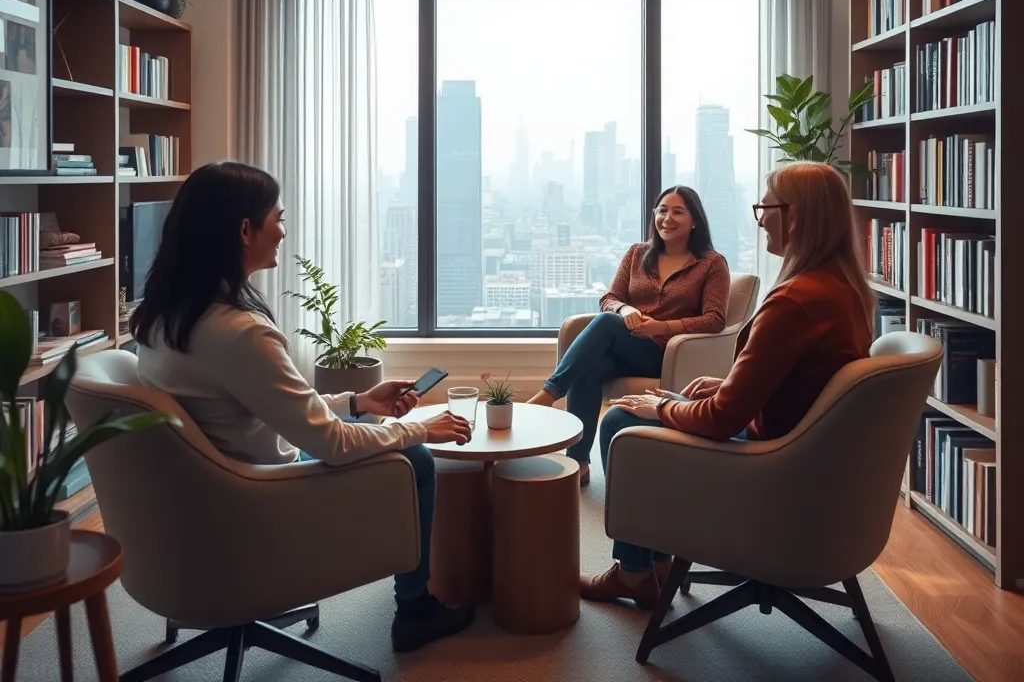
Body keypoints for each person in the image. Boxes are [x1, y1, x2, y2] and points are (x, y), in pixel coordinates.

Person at [132, 161, 476, 653]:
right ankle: (416, 610)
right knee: (414, 461)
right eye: (278, 217)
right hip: (263, 502)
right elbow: (330, 445)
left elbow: (263, 407)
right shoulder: (240, 333)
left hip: (210, 497)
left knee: (380, 431)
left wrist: (356, 401)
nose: (283, 231)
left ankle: (416, 600)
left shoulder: (164, 317)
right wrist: (420, 430)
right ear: (245, 230)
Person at [582, 160, 874, 609]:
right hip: (802, 450)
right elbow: (800, 381)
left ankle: (635, 571)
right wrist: (728, 383)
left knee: (621, 420)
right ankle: (650, 565)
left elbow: (721, 420)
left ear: (795, 217)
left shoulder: (794, 300)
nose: (760, 220)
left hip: (768, 464)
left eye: (766, 208)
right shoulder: (841, 289)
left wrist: (662, 409)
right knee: (614, 354)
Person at [526, 185, 730, 485]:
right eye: (662, 210)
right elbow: (610, 298)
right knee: (590, 366)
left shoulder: (711, 263)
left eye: (678, 211)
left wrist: (660, 327)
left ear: (695, 220)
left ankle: (547, 396)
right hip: (629, 346)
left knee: (607, 323)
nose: (667, 218)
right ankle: (580, 462)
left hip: (667, 354)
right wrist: (625, 310)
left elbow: (715, 320)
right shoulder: (637, 253)